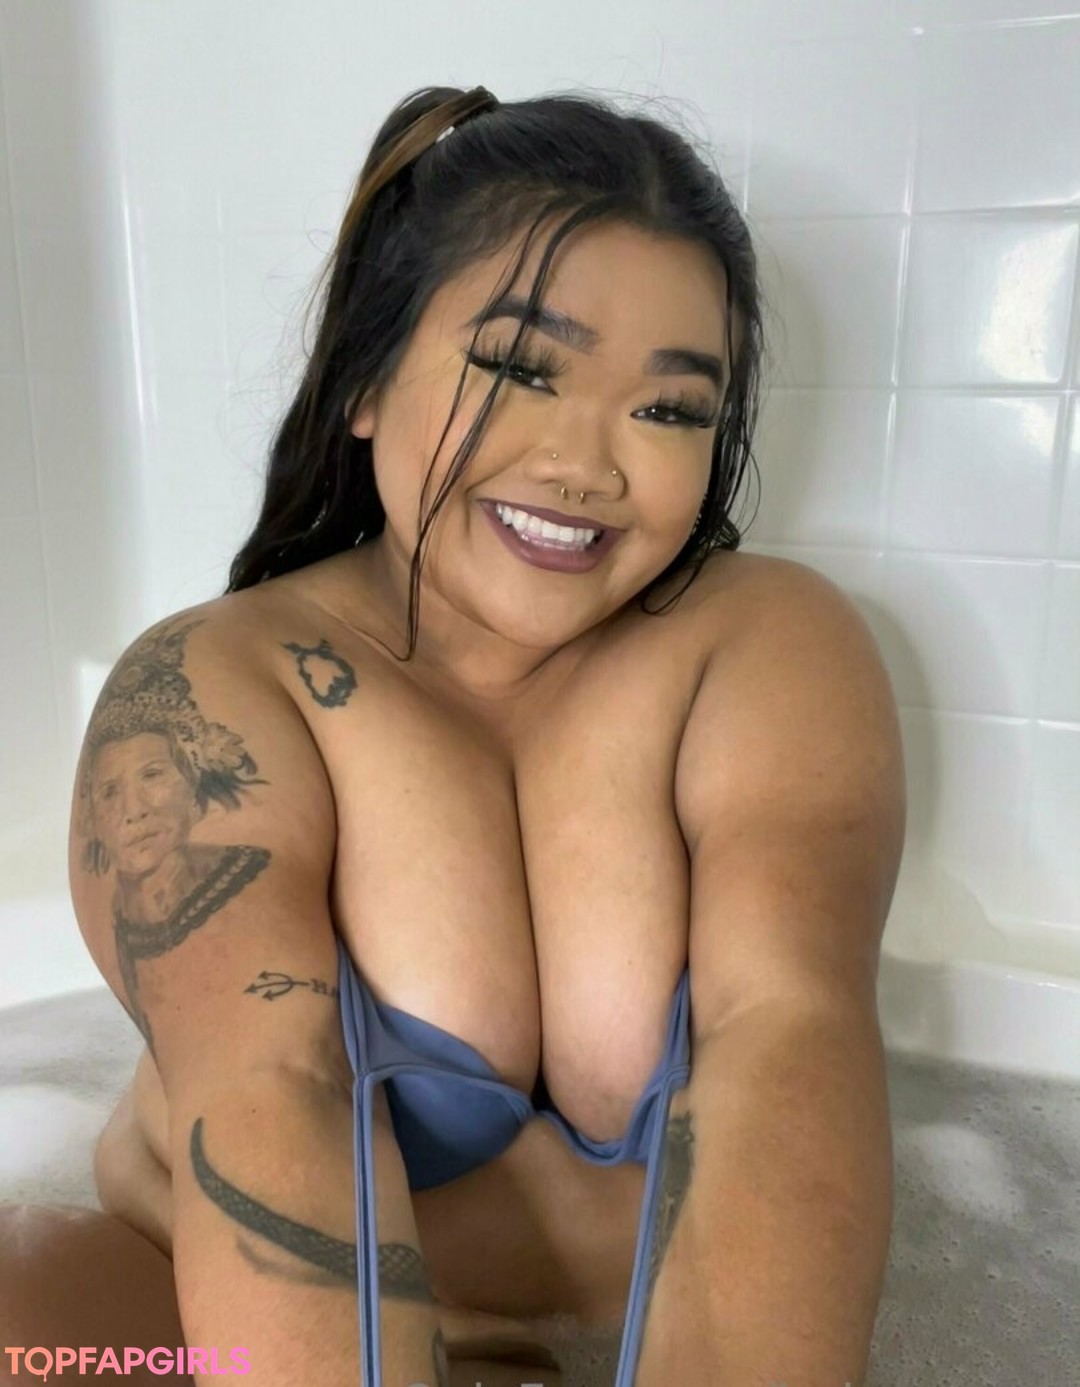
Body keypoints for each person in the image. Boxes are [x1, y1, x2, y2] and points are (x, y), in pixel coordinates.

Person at [0, 84, 905, 1386]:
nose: (588, 465)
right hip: (242, 1324)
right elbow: (277, 1091)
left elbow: (788, 1038)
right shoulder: (217, 690)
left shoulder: (765, 651)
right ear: (366, 377)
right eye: (521, 370)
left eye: (669, 410)